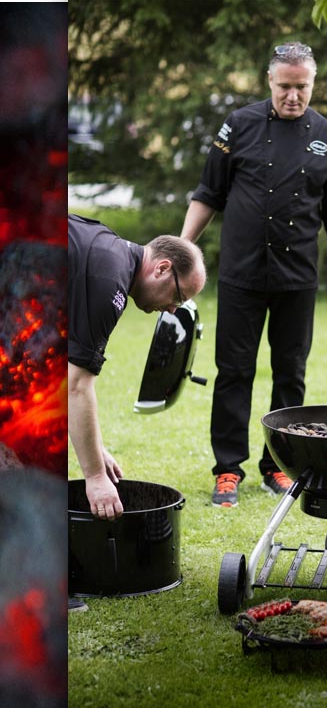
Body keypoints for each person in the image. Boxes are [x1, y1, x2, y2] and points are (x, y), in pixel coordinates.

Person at [180, 41, 327, 508]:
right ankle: (227, 470)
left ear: (312, 84)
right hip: (240, 273)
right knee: (233, 371)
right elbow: (208, 194)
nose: (294, 96)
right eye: (285, 87)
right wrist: (181, 251)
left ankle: (277, 465)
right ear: (269, 81)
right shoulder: (238, 125)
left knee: (290, 375)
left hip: (296, 277)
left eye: (302, 87)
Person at [68, 214, 207, 521]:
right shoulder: (108, 285)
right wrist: (94, 477)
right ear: (162, 268)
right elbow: (75, 386)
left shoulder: (108, 249)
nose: (172, 309)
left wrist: (94, 449)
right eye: (178, 297)